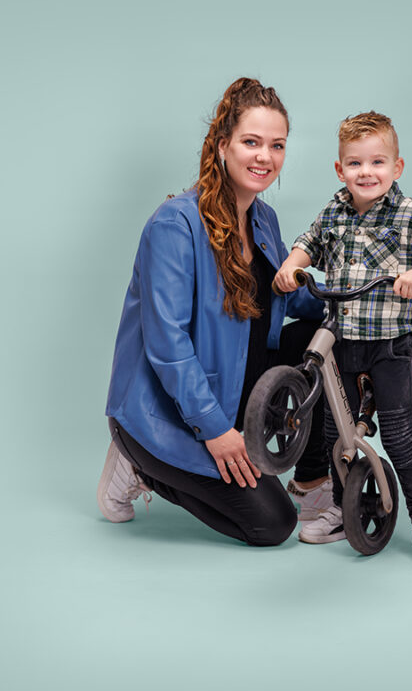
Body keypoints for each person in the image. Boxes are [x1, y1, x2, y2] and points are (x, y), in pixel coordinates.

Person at [97, 78, 333, 546]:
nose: (265, 157)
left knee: (322, 337)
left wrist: (346, 301)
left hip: (233, 384)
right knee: (272, 525)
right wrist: (215, 430)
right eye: (251, 142)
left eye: (277, 145)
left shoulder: (264, 219)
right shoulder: (174, 224)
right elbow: (167, 345)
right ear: (223, 145)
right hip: (168, 410)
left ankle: (310, 482)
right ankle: (137, 462)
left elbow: (282, 294)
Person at [274, 111, 412, 572]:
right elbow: (308, 242)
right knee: (334, 433)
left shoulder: (410, 214)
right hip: (342, 341)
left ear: (396, 167)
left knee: (399, 438)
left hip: (389, 343)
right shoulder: (334, 212)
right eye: (356, 163)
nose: (367, 172)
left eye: (378, 162)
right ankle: (342, 509)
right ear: (340, 169)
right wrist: (292, 264)